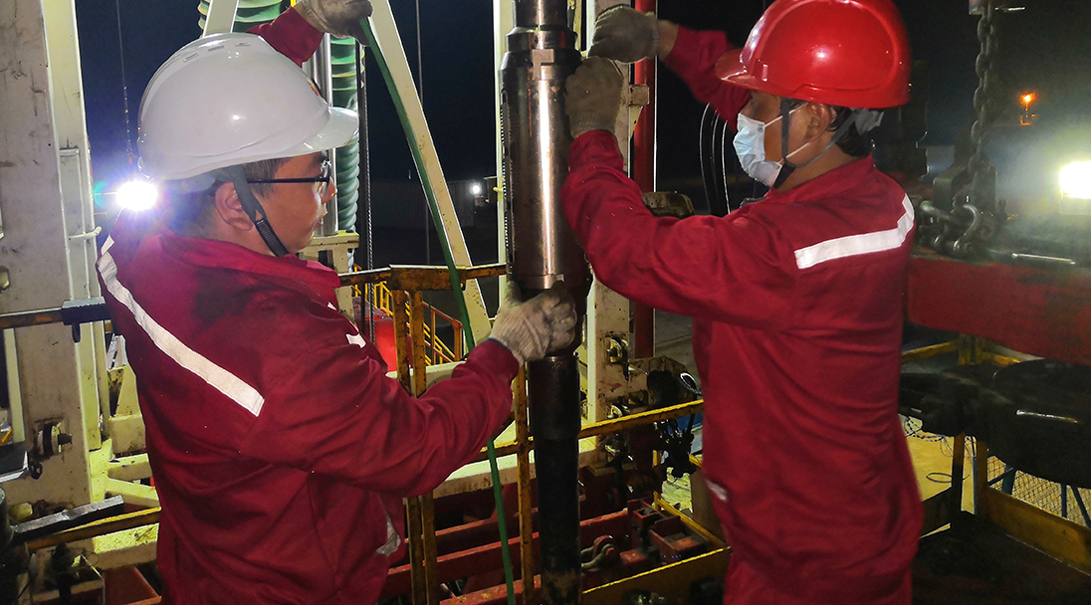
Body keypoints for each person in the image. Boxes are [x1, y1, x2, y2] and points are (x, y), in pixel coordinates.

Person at [97, 2, 578, 603]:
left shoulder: (133, 254)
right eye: (316, 172)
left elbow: (201, 124)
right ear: (236, 204)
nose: (327, 190)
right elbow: (415, 448)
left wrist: (304, 25)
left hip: (207, 566)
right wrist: (505, 350)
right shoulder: (282, 346)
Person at [562, 1, 922, 603]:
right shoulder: (870, 196)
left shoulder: (787, 249)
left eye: (756, 103)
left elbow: (630, 252)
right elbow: (766, 103)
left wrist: (594, 135)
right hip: (848, 520)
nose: (743, 116)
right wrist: (663, 38)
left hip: (806, 566)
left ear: (816, 117)